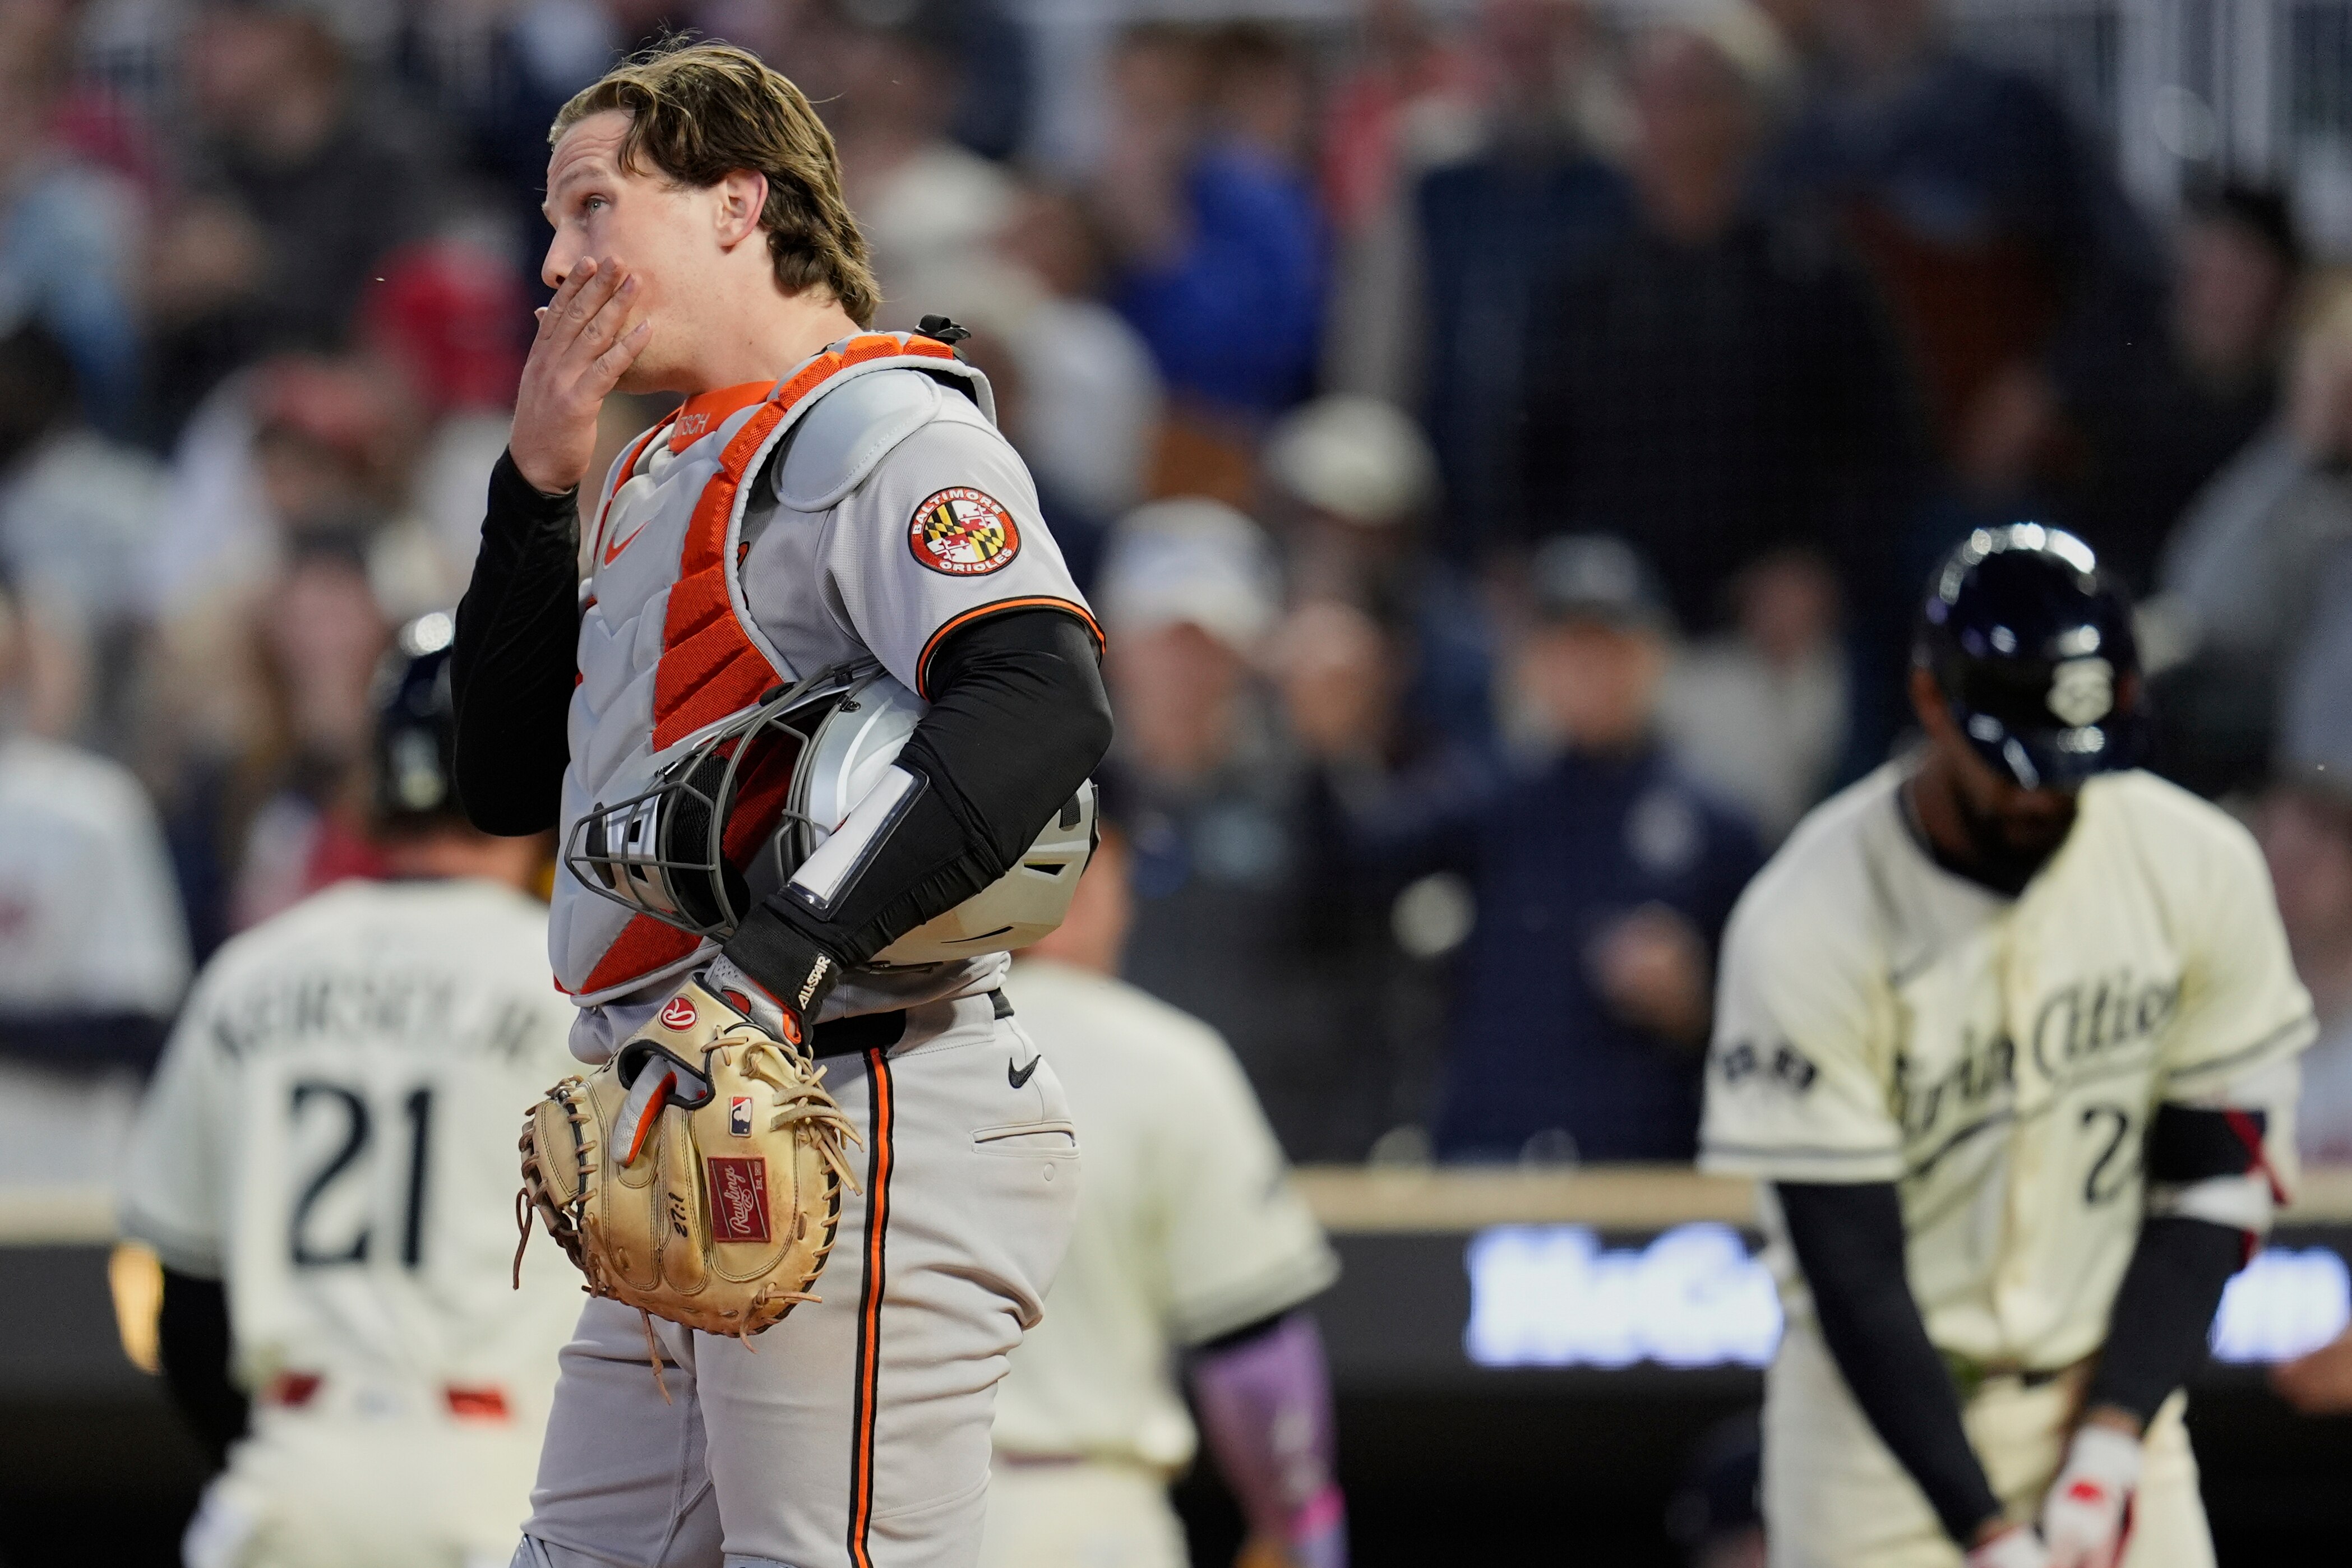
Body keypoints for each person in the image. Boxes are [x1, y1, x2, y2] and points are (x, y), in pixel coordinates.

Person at [447, 43, 1112, 1568]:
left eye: (595, 206)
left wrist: (771, 961)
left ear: (737, 200)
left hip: (866, 1098)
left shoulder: (888, 429)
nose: (557, 261)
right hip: (694, 1113)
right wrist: (536, 482)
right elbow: (499, 784)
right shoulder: (659, 465)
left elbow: (1040, 697)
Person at [1701, 525, 2314, 1567]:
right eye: (2014, 762)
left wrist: (2112, 1440)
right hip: (1876, 1438)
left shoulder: (2197, 867)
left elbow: (2211, 1186)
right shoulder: (1808, 914)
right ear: (1933, 702)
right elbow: (1850, 1266)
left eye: (2074, 763)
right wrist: (1985, 1532)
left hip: (2109, 1387)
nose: (2043, 793)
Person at [116, 614, 586, 1567]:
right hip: (502, 1480)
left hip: (291, 1479)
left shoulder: (252, 972)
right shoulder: (577, 992)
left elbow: (185, 1310)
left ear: (376, 783)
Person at [985, 811, 1344, 1568]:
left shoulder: (872, 1050)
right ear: (1082, 892)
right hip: (1085, 1518)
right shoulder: (1166, 1059)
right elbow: (1254, 1357)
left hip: (883, 1520)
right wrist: (1294, 1521)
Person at [1360, 535, 1764, 1163]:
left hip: (1645, 1187)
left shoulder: (1717, 826)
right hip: (1489, 1162)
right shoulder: (1491, 799)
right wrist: (1339, 744)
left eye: (1607, 647)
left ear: (1652, 656)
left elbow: (1779, 1029)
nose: (1587, 671)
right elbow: (1359, 860)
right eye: (1568, 648)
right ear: (1532, 665)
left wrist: (1696, 1004)